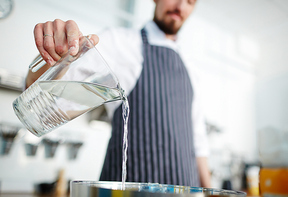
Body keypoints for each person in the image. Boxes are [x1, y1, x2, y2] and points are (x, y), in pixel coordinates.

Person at [26, 0, 211, 187]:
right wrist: (57, 54)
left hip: (186, 186)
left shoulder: (191, 67)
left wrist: (210, 190)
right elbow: (42, 95)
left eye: (190, 1)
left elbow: (198, 142)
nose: (180, 6)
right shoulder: (118, 42)